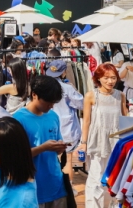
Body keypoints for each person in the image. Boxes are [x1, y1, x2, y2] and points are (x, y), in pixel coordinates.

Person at [13, 75, 68, 208]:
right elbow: (16, 156)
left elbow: (56, 146)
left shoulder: (53, 116)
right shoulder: (18, 119)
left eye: (54, 103)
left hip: (56, 185)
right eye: (48, 102)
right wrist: (43, 148)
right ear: (34, 95)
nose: (51, 106)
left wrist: (59, 147)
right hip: (32, 189)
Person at [78, 63, 127, 208]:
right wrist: (84, 142)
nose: (110, 81)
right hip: (97, 141)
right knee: (95, 176)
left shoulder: (120, 95)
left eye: (113, 78)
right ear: (98, 78)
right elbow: (86, 121)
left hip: (116, 141)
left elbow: (125, 118)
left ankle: (111, 205)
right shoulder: (91, 95)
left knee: (114, 176)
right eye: (106, 78)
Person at [45, 60, 84, 191]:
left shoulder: (43, 86)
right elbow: (81, 104)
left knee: (51, 159)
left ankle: (53, 186)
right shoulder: (67, 88)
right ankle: (68, 188)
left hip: (49, 127)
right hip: (66, 128)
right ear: (64, 73)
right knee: (67, 159)